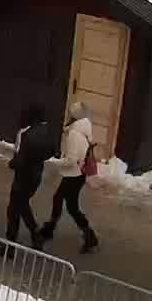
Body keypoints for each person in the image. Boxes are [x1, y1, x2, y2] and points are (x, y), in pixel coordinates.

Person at [42, 103, 101, 254]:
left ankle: (89, 236)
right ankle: (51, 228)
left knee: (70, 207)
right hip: (77, 174)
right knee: (61, 201)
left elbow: (71, 160)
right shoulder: (84, 130)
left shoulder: (75, 134)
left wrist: (52, 161)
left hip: (73, 174)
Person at [5, 107, 55, 249]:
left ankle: (11, 244)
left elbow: (20, 158)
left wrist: (13, 163)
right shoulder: (45, 131)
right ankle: (34, 236)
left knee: (14, 209)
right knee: (21, 205)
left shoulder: (24, 134)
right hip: (36, 175)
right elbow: (51, 151)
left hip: (22, 176)